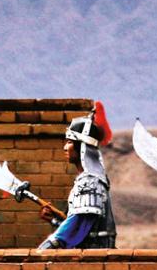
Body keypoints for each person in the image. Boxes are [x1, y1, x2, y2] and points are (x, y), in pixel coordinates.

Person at [35, 102, 117, 250]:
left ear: (82, 147)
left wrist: (45, 248)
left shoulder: (90, 183)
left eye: (69, 142)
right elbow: (80, 232)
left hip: (93, 259)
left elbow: (76, 226)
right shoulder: (88, 180)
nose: (65, 148)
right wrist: (55, 220)